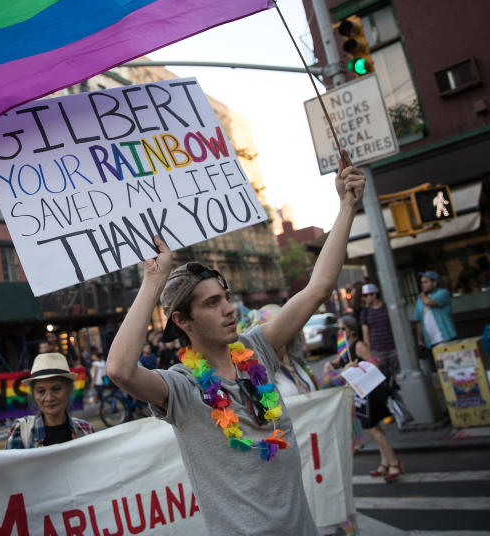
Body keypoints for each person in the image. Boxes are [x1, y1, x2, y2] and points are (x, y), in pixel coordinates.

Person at [105, 156, 364, 534]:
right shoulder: (181, 387)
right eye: (212, 303)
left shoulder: (256, 349)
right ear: (182, 321)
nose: (229, 309)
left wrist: (346, 207)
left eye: (225, 297)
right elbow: (119, 370)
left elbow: (318, 288)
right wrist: (153, 280)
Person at [324, 315, 403, 482]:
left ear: (351, 330)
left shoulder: (358, 345)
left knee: (371, 428)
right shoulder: (345, 346)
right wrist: (332, 365)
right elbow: (340, 361)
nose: (340, 332)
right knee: (374, 428)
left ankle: (394, 462)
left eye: (342, 329)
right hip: (358, 393)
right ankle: (385, 463)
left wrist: (357, 367)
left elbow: (374, 363)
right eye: (338, 329)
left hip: (368, 392)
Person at [5, 353, 94, 449]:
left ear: (69, 390)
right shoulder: (21, 430)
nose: (49, 398)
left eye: (56, 389)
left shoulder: (85, 430)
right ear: (34, 394)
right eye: (41, 391)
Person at [360, 283, 398, 376]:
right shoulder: (365, 313)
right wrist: (370, 353)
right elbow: (366, 334)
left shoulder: (387, 308)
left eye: (366, 295)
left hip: (393, 348)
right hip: (377, 351)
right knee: (383, 377)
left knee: (399, 375)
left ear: (374, 294)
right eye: (363, 296)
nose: (364, 298)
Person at [413, 271, 457, 350]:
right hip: (430, 342)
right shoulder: (420, 301)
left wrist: (422, 295)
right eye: (421, 282)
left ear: (435, 283)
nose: (422, 285)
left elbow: (428, 302)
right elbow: (418, 321)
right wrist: (419, 340)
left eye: (426, 282)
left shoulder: (443, 293)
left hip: (446, 338)